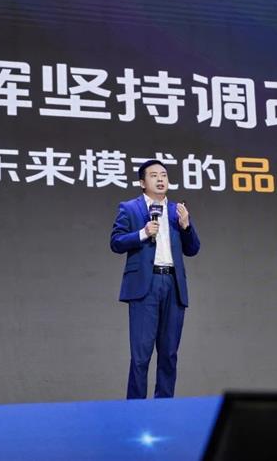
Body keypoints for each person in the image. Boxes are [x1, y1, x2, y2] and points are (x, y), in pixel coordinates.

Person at [110, 159, 201, 399]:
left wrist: (186, 226)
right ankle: (136, 409)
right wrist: (142, 233)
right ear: (142, 183)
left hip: (173, 284)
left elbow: (193, 249)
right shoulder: (130, 208)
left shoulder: (177, 210)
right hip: (145, 285)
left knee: (169, 354)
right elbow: (116, 242)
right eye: (154, 175)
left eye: (163, 175)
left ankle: (164, 407)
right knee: (141, 356)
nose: (160, 179)